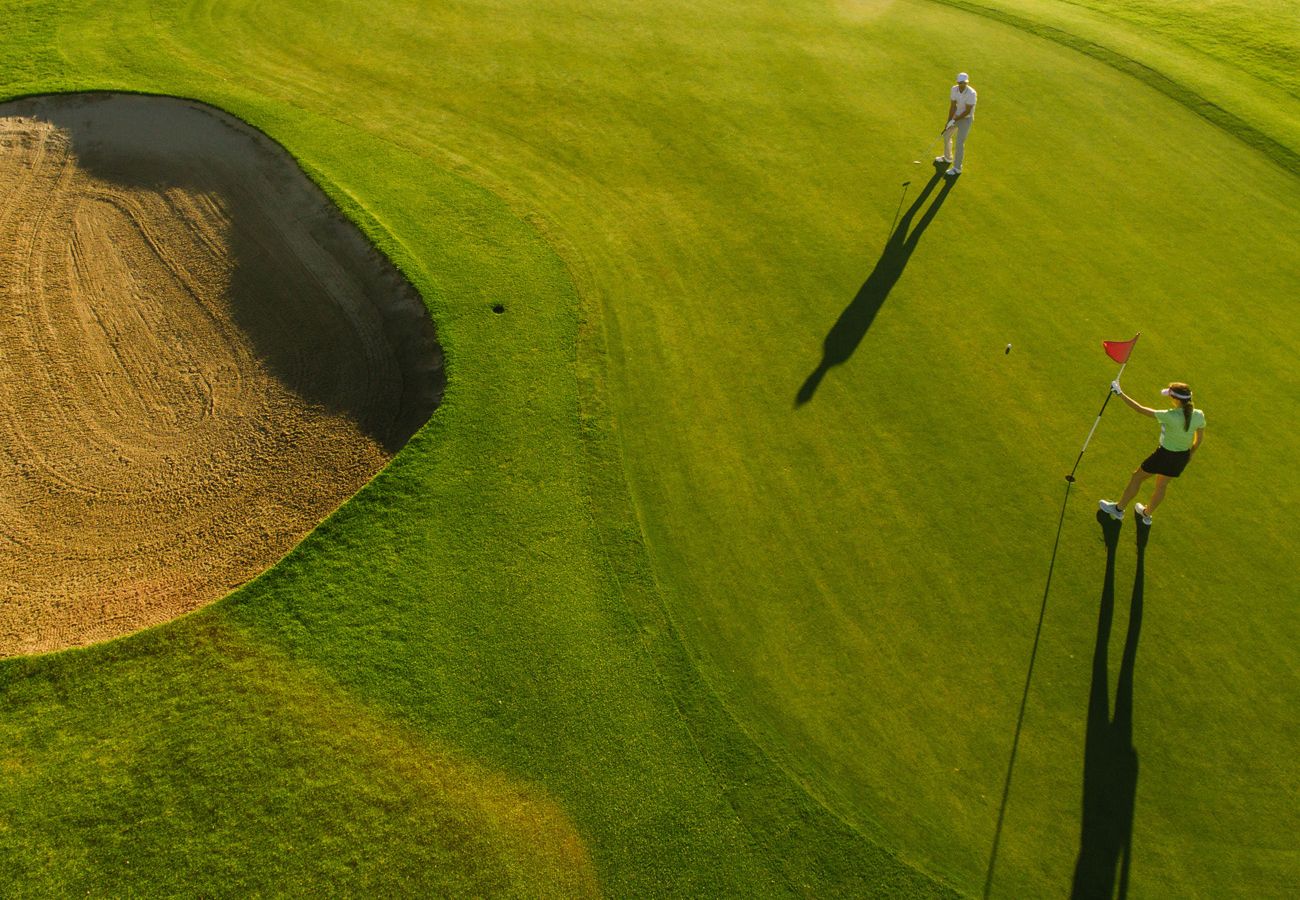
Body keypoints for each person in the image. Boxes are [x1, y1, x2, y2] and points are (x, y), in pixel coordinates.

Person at [1099, 382, 1206, 526]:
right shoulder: (1199, 415)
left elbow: (1140, 409)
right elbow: (1199, 439)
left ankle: (1118, 509)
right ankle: (1146, 514)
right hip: (1181, 458)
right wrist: (1190, 454)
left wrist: (1120, 393)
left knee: (1137, 477)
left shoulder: (1170, 415)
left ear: (1176, 399)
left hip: (1163, 455)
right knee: (1161, 486)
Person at [935, 72, 977, 176]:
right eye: (961, 82)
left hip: (966, 119)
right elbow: (953, 106)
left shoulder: (972, 93)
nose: (963, 84)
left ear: (967, 82)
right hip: (956, 116)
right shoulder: (954, 89)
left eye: (965, 82)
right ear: (958, 82)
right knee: (946, 135)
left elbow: (967, 111)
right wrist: (949, 121)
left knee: (959, 143)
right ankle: (948, 157)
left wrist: (955, 119)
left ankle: (957, 168)